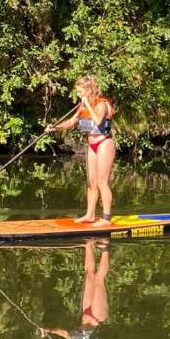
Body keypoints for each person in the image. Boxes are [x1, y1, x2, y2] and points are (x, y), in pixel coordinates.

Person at [39, 239, 109, 339]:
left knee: (89, 275)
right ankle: (106, 248)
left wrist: (49, 331)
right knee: (99, 279)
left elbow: (65, 334)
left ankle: (88, 244)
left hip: (86, 312)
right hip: (97, 316)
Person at [49, 75, 115, 226]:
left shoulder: (102, 104)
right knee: (91, 183)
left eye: (80, 92)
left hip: (104, 142)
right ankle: (90, 215)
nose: (78, 95)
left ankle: (106, 218)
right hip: (91, 144)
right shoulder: (82, 106)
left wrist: (88, 105)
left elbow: (98, 121)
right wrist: (54, 128)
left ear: (89, 90)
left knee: (102, 183)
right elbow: (71, 122)